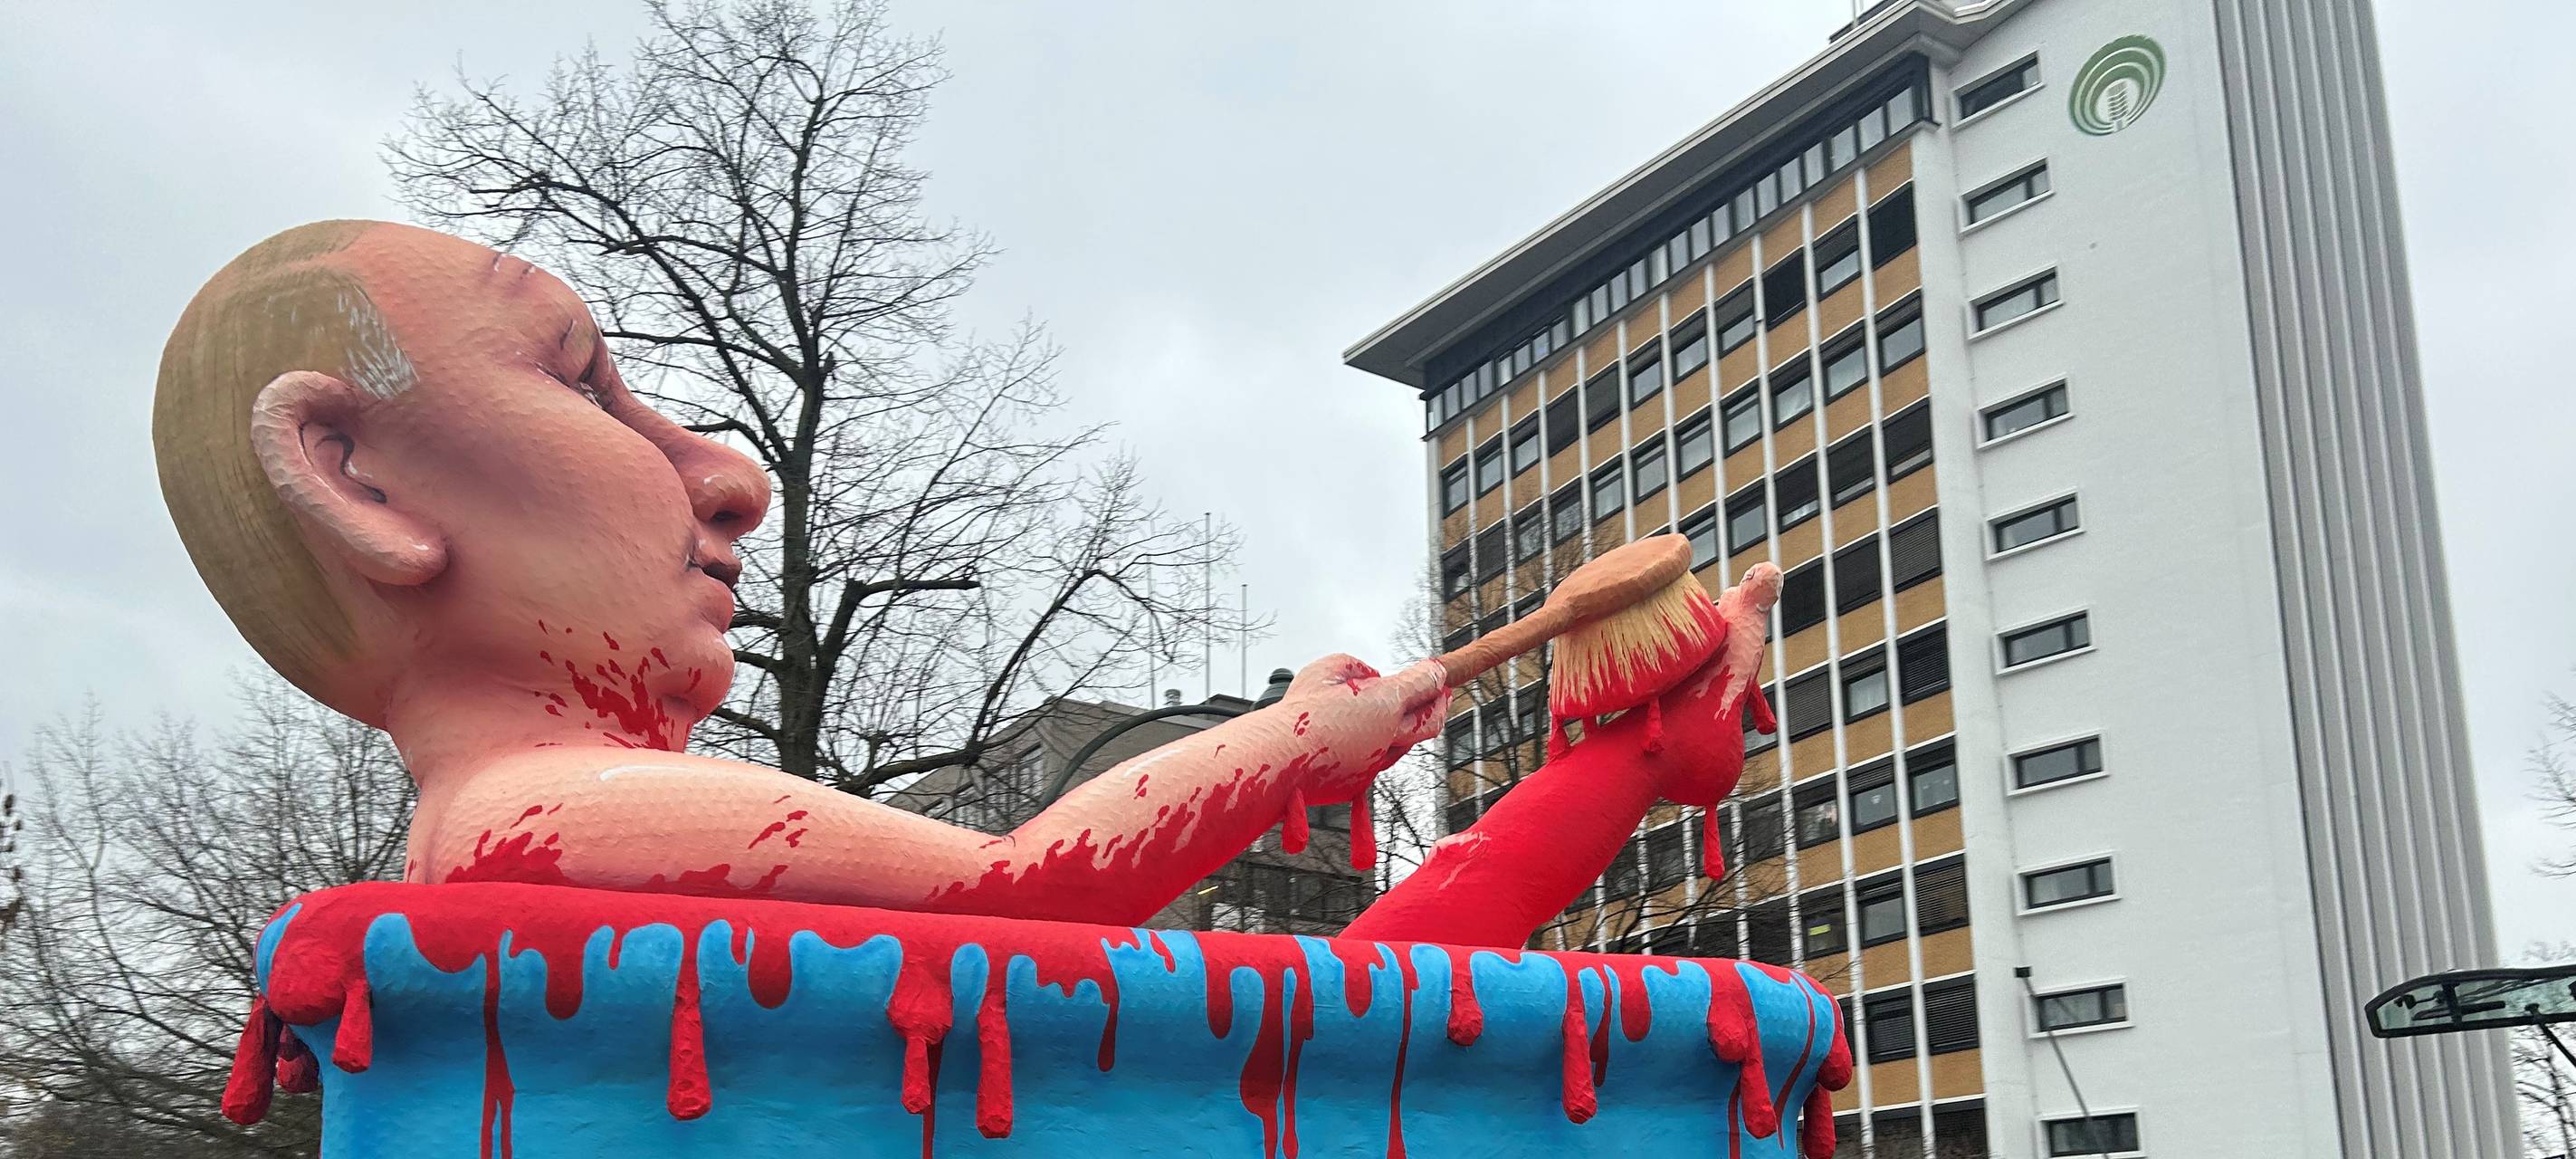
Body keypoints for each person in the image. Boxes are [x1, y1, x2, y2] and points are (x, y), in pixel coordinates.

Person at [156, 221, 1773, 944]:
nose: (723, 473)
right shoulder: (538, 817)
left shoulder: (544, 835)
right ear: (355, 484)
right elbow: (1031, 894)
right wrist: (1296, 741)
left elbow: (1338, 1010)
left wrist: (1621, 767)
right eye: (588, 390)